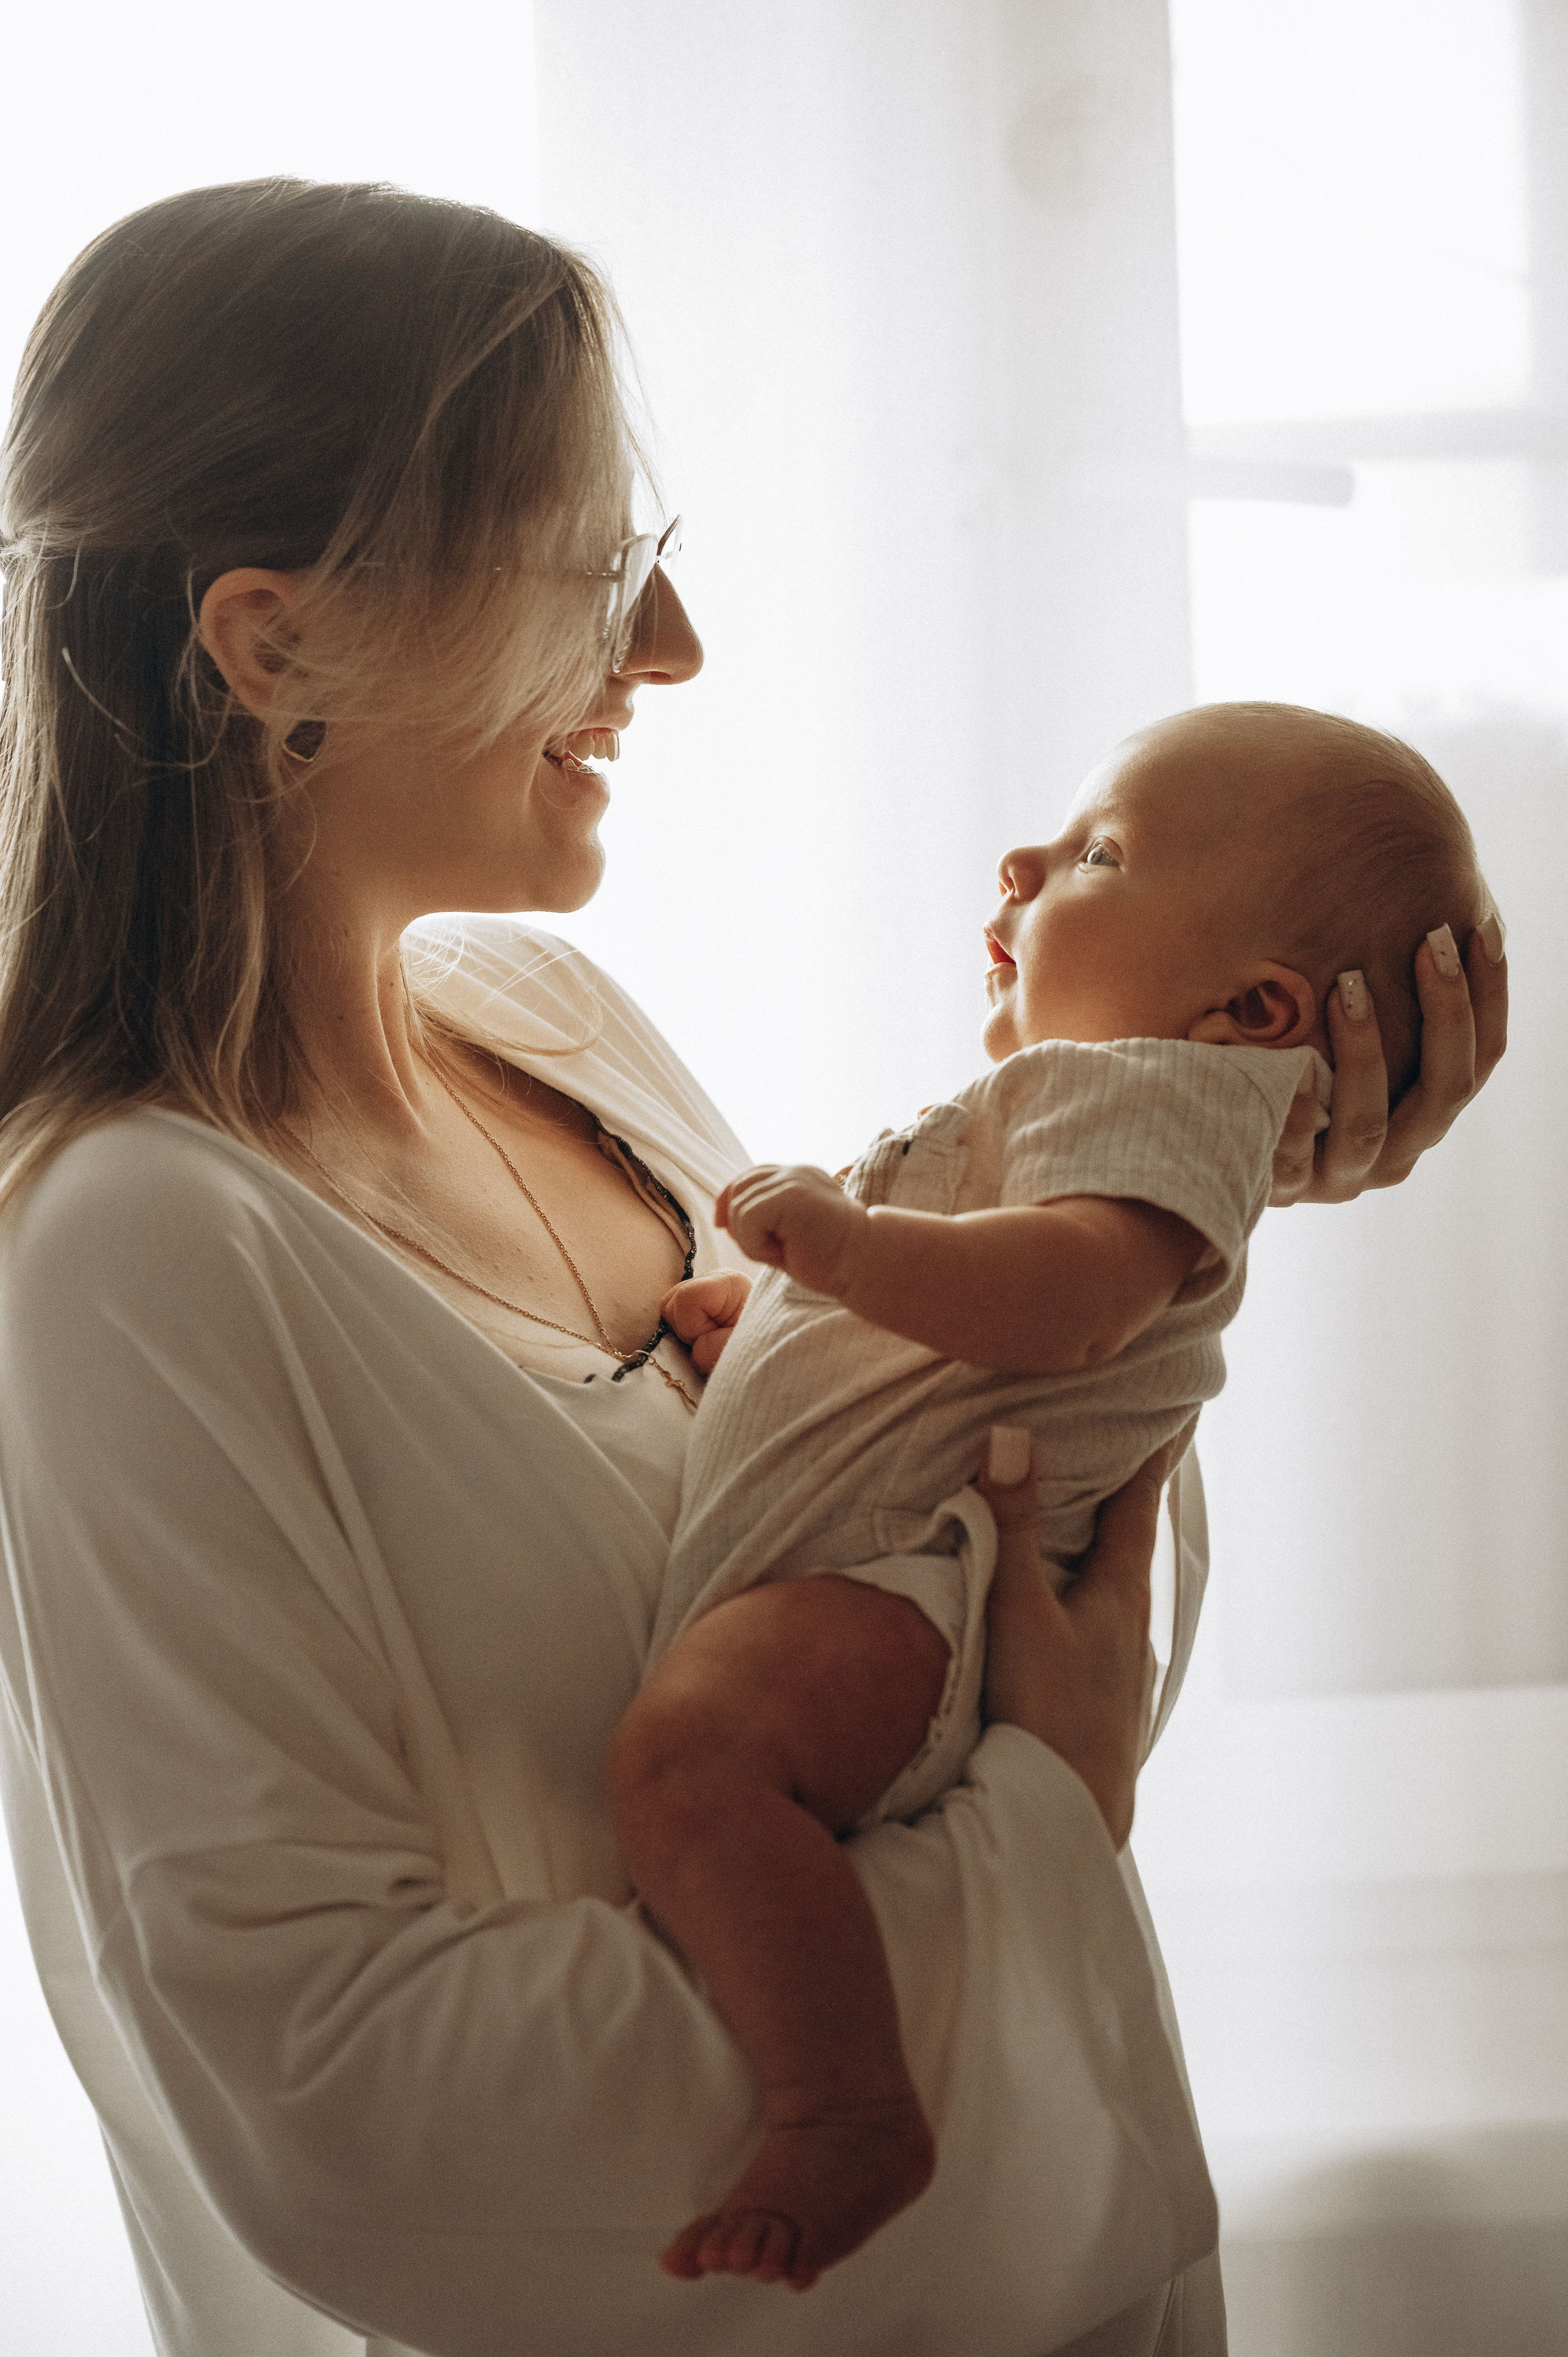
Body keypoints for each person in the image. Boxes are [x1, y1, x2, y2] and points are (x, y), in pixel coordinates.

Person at [0, 178, 1506, 2357]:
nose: (673, 650)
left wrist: (1187, 1189)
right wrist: (1049, 1829)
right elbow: (355, 2110)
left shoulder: (555, 1028)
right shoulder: (123, 1255)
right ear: (270, 640)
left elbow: (970, 1536)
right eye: (591, 570)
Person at [610, 704, 1494, 2291]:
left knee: (695, 1761)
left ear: (1253, 1006)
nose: (1023, 860)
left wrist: (845, 1253)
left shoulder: (1152, 1094)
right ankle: (842, 2095)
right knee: (701, 1764)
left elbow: (1065, 1308)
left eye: (1097, 852)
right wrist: (792, 1321)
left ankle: (843, 2108)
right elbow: (989, 1338)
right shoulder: (1109, 1106)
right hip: (909, 1562)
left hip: (926, 1587)